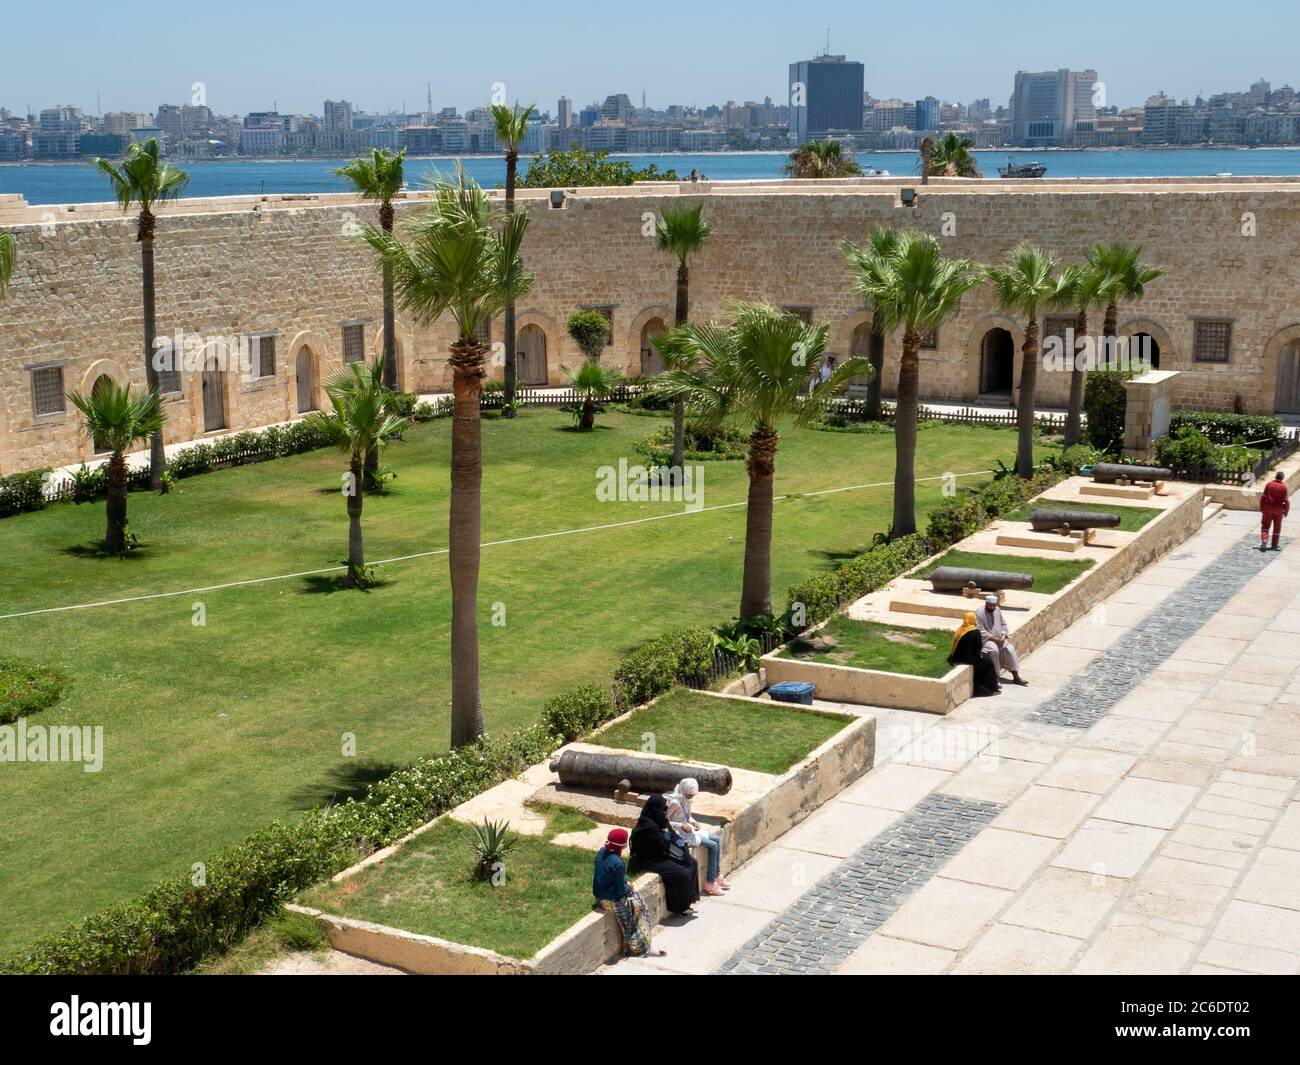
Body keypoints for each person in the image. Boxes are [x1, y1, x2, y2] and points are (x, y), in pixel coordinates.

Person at [592, 828, 664, 958]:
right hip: (610, 901)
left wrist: (626, 880)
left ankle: (646, 943)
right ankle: (639, 948)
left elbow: (610, 872)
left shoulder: (602, 852)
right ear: (624, 845)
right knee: (639, 908)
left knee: (638, 903)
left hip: (599, 895)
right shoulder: (618, 863)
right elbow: (620, 890)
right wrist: (628, 888)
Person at [629, 793, 701, 915]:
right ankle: (679, 907)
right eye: (661, 808)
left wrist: (682, 846)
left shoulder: (661, 820)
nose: (664, 811)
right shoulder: (646, 826)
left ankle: (690, 898)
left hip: (662, 854)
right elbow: (663, 843)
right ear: (653, 808)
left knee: (692, 863)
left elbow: (673, 835)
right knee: (680, 874)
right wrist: (666, 834)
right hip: (650, 860)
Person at [666, 778, 729, 896]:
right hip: (680, 834)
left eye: (692, 796)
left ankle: (716, 875)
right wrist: (681, 825)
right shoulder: (675, 802)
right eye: (688, 795)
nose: (690, 798)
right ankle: (709, 882)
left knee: (716, 839)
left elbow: (688, 817)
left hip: (689, 830)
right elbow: (665, 821)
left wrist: (694, 822)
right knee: (713, 846)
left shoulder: (687, 801)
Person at [976, 593, 1027, 686]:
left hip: (1000, 639)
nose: (992, 608)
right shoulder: (979, 612)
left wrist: (1003, 635)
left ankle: (1016, 676)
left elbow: (1003, 624)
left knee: (1010, 649)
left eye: (994, 606)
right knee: (994, 651)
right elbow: (980, 629)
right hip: (987, 640)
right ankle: (995, 678)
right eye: (990, 605)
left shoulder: (997, 610)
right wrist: (993, 638)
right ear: (986, 603)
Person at [948, 610, 1001, 696]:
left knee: (984, 663)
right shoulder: (975, 632)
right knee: (989, 663)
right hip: (969, 659)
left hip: (957, 657)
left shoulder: (960, 630)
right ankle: (991, 688)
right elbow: (978, 650)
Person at [1260, 471, 1289, 551]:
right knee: (1277, 527)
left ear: (1275, 476)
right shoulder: (1284, 487)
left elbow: (1263, 497)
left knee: (1265, 526)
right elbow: (1286, 501)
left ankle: (1264, 540)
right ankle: (1274, 545)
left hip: (1268, 508)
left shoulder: (1269, 485)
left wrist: (1262, 509)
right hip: (1279, 510)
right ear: (1282, 478)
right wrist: (1285, 512)